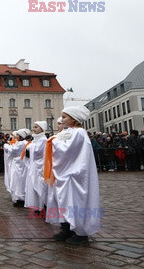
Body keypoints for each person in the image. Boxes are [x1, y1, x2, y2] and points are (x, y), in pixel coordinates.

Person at [43, 105, 101, 245]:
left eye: (64, 117)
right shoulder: (67, 132)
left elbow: (68, 151)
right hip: (63, 173)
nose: (61, 120)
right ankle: (67, 227)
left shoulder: (79, 132)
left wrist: (53, 142)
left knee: (73, 201)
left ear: (74, 119)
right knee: (62, 201)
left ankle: (80, 232)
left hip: (74, 174)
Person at [24, 121, 48, 213]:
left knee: (40, 185)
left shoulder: (43, 139)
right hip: (34, 165)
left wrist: (30, 146)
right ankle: (38, 205)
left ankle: (43, 204)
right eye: (34, 127)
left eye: (36, 127)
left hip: (40, 165)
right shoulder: (36, 139)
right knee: (34, 185)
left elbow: (38, 152)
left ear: (42, 129)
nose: (33, 129)